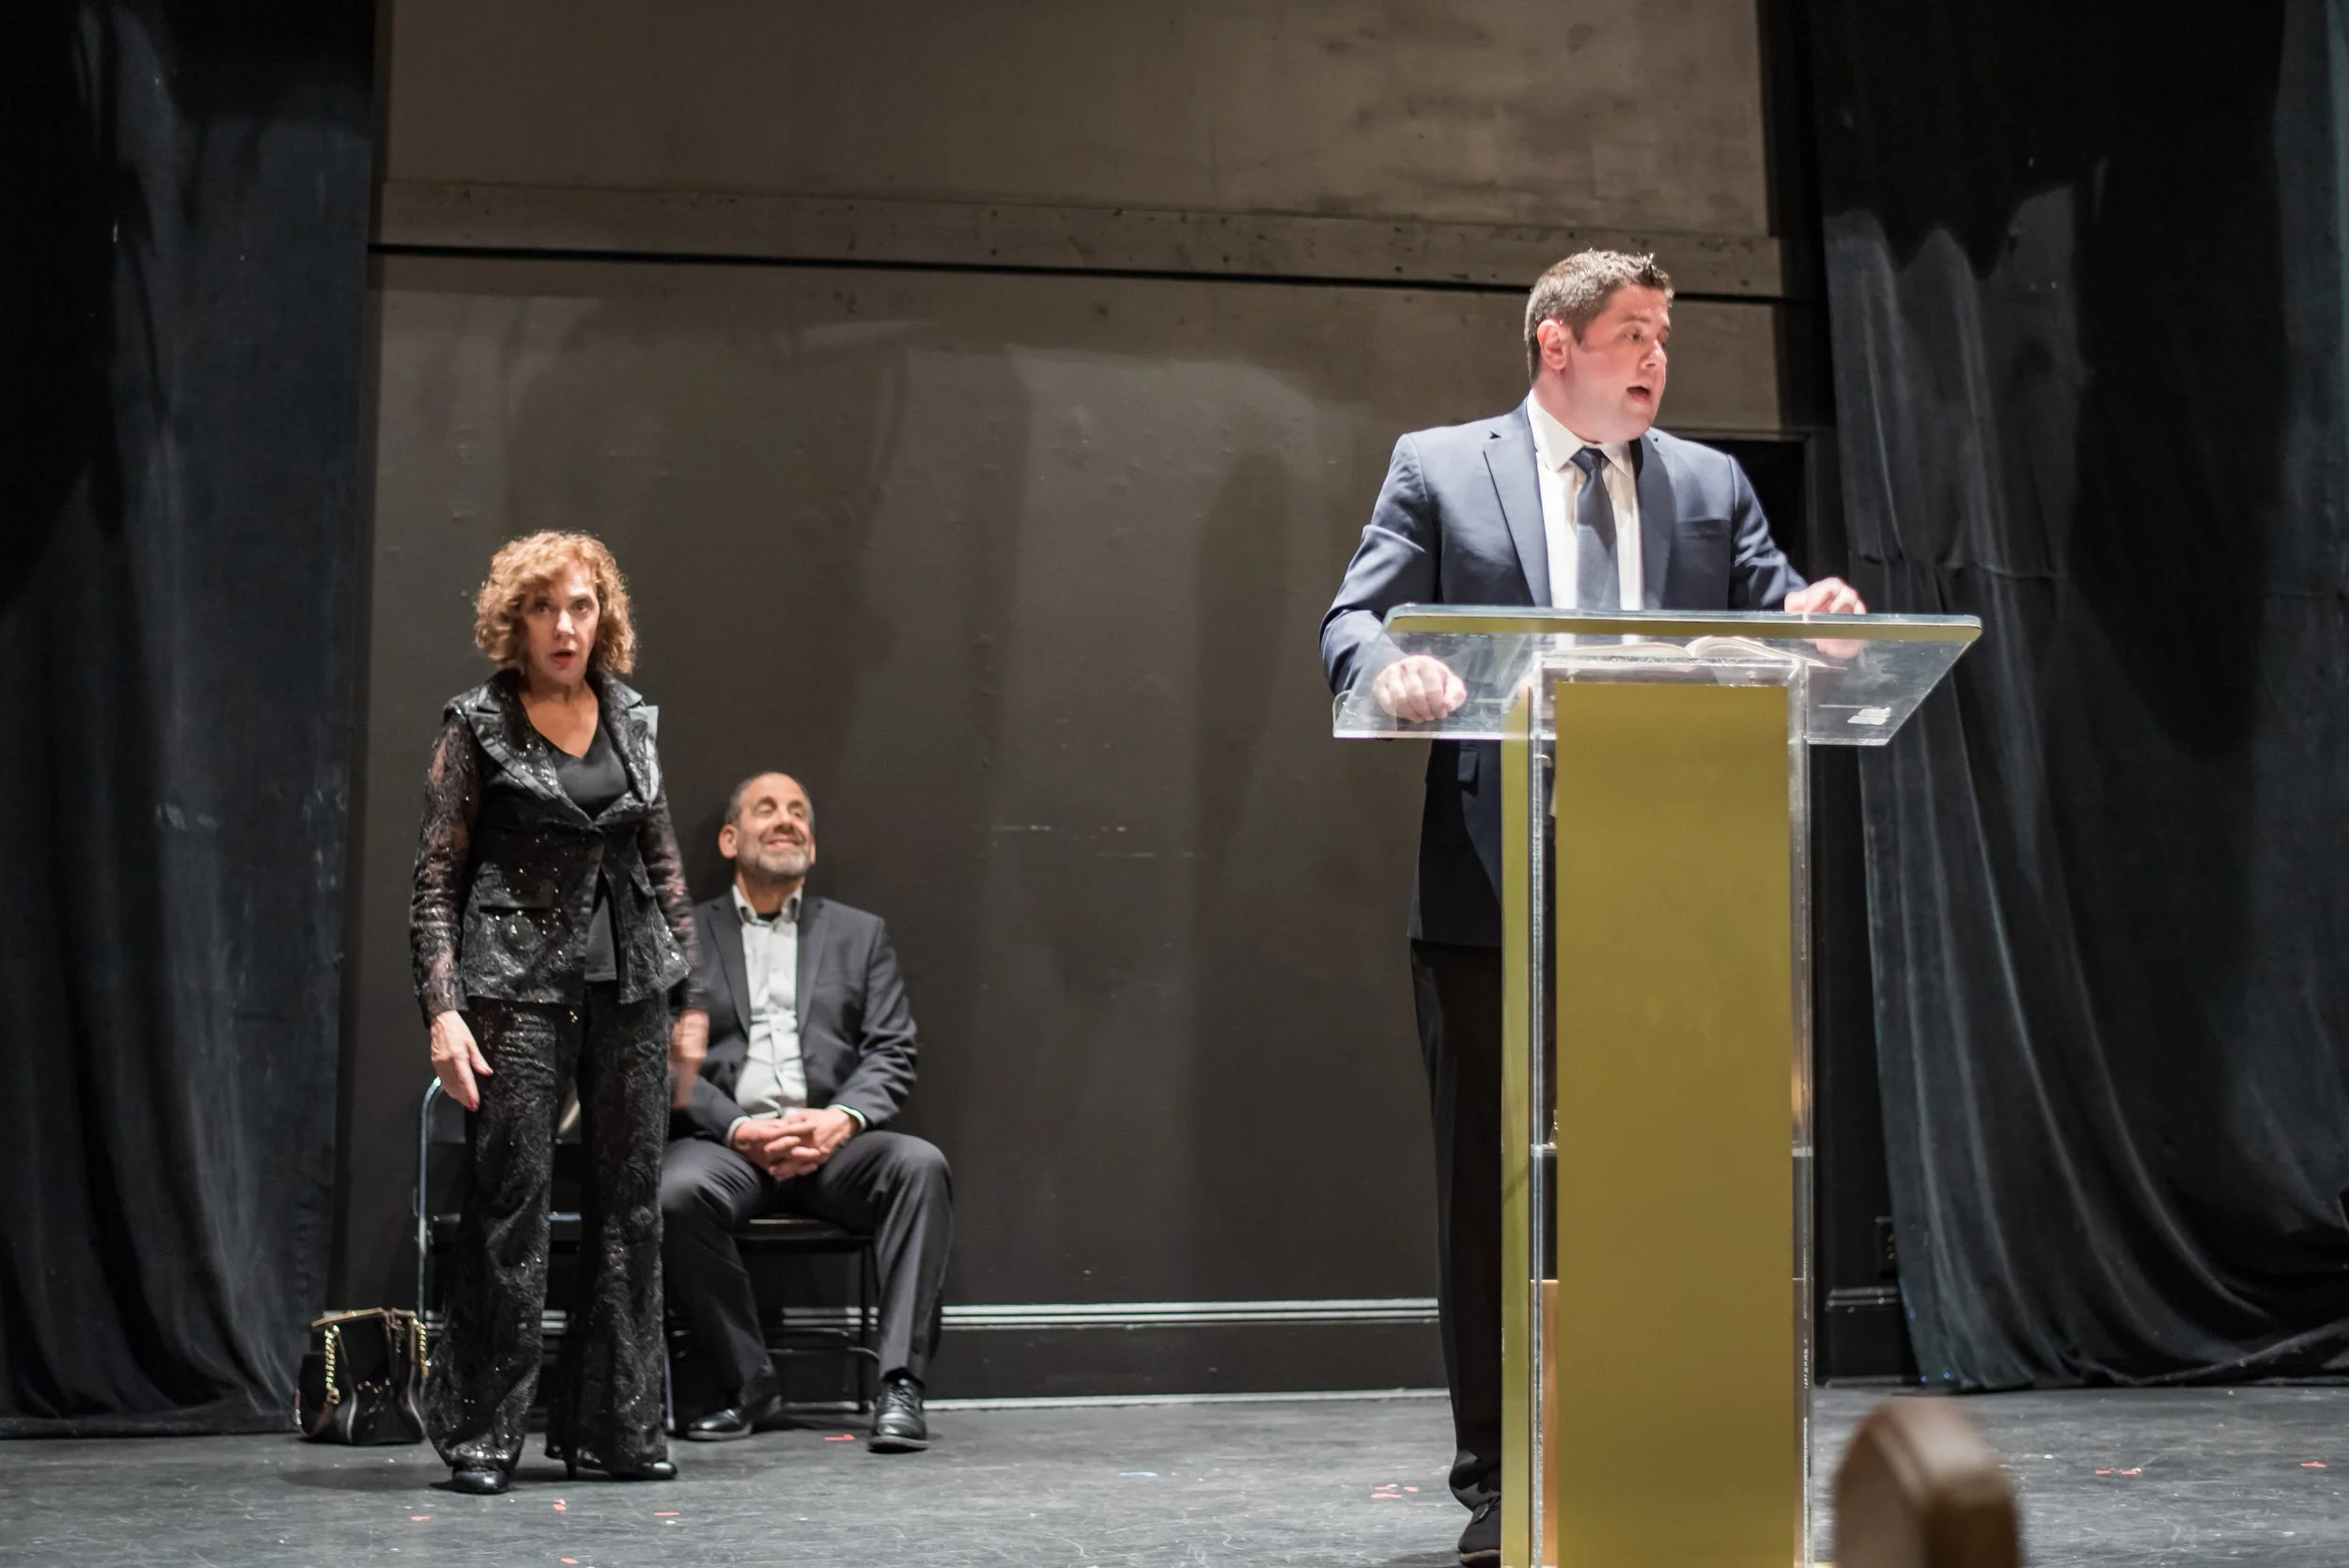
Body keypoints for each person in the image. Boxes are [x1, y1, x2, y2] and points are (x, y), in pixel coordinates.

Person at [1318, 250, 1867, 1566]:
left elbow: (1769, 617)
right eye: (1632, 334)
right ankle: (1502, 1475)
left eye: (1665, 336)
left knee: (1655, 1176)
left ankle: (1648, 1441)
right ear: (1555, 345)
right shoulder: (1441, 466)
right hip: (1489, 883)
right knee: (1490, 1192)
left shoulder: (1707, 483)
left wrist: (1814, 623)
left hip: (1670, 890)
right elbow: (1355, 618)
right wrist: (1392, 672)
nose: (1657, 358)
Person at [410, 531, 710, 1495]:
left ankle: (615, 1427)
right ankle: (487, 1433)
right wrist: (443, 1011)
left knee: (629, 1210)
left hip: (625, 990)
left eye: (581, 606)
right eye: (546, 608)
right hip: (512, 987)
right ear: (516, 620)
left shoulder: (631, 718)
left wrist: (684, 996)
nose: (566, 625)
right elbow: (433, 879)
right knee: (513, 1207)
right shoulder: (478, 723)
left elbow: (663, 864)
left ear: (602, 616)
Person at [661, 771, 952, 1452]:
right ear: (731, 839)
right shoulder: (683, 935)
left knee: (920, 1167)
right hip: (727, 1142)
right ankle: (749, 1383)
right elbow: (659, 1053)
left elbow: (892, 1048)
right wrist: (737, 1125)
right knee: (671, 1192)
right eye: (767, 809)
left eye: (798, 812)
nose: (785, 819)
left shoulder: (860, 934)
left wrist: (842, 1119)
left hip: (831, 1144)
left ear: (812, 847)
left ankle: (901, 1386)